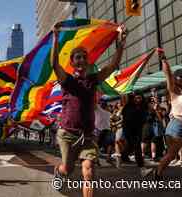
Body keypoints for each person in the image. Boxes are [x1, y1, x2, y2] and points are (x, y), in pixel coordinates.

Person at [50, 22, 126, 197]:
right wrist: (55, 37)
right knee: (67, 170)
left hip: (88, 135)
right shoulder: (66, 80)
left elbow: (113, 66)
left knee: (88, 171)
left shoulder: (93, 79)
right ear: (72, 62)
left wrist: (121, 42)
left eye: (84, 57)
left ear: (88, 61)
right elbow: (54, 64)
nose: (82, 60)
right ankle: (59, 171)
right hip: (67, 134)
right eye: (77, 57)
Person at [143, 49, 182, 179]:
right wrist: (163, 59)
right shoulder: (173, 90)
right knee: (172, 154)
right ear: (176, 78)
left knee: (174, 153)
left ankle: (157, 171)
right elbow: (168, 74)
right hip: (177, 125)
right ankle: (158, 173)